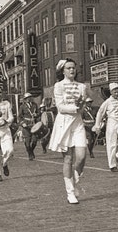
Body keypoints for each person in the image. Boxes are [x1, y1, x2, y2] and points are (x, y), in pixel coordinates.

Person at [48, 58, 87, 204]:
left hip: (77, 123)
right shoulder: (58, 86)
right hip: (64, 123)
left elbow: (82, 108)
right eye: (69, 68)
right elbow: (61, 107)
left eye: (73, 68)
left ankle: (76, 176)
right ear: (63, 70)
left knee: (82, 156)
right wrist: (75, 107)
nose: (72, 70)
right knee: (68, 159)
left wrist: (80, 106)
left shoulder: (82, 86)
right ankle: (70, 192)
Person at [92, 82, 118, 172]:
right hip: (111, 123)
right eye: (114, 92)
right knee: (111, 144)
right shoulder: (107, 102)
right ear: (111, 92)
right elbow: (100, 113)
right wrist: (97, 125)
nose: (116, 94)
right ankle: (112, 165)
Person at [18, 92, 39, 160]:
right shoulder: (22, 107)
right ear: (25, 99)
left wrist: (37, 115)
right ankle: (30, 154)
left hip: (33, 124)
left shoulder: (35, 105)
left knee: (35, 141)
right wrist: (22, 123)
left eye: (29, 98)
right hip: (26, 125)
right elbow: (19, 117)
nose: (28, 99)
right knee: (27, 142)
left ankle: (31, 151)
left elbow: (39, 113)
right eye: (27, 98)